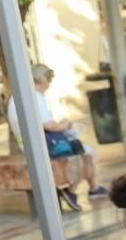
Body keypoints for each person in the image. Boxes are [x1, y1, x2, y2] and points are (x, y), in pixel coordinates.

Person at [6, 64, 108, 211]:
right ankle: (72, 191)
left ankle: (94, 188)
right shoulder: (36, 96)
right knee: (88, 153)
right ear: (41, 80)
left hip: (27, 143)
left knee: (81, 148)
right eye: (48, 81)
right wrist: (66, 125)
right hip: (43, 145)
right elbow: (48, 125)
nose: (49, 85)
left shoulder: (16, 96)